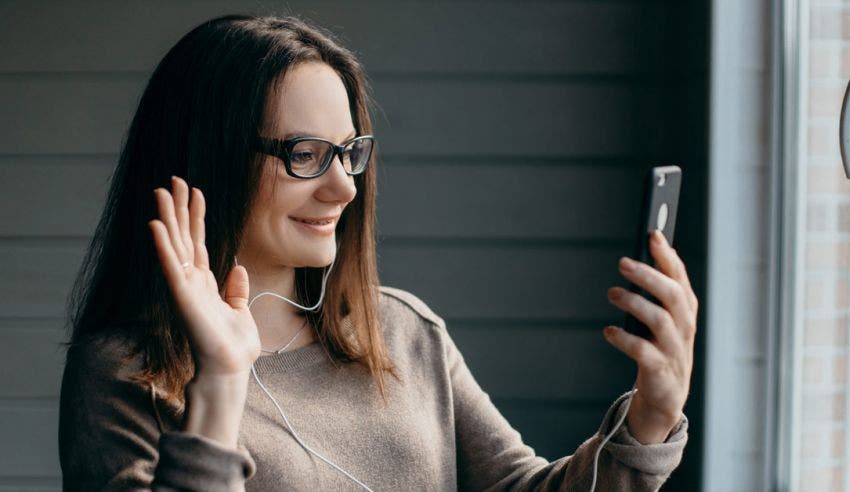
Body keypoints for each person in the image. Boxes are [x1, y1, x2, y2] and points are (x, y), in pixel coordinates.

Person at [57, 13, 698, 491]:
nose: (344, 187)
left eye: (348, 153)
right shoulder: (122, 374)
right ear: (208, 161)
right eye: (304, 155)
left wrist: (651, 414)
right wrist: (221, 377)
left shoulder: (401, 330)